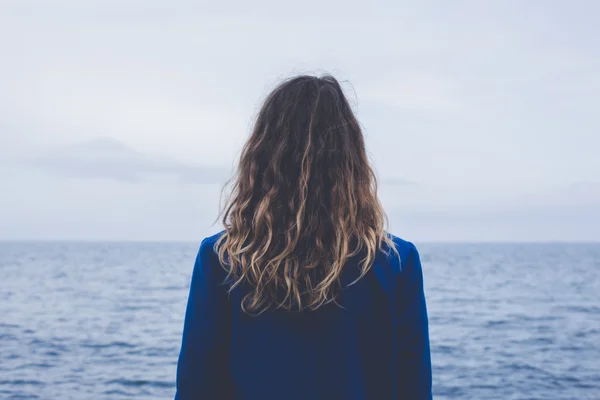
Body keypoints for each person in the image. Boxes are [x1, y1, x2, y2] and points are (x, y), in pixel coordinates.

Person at [175, 75, 432, 399]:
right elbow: (414, 391)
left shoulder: (223, 259)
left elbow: (196, 390)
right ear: (350, 160)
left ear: (263, 155)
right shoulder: (395, 263)